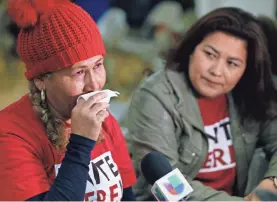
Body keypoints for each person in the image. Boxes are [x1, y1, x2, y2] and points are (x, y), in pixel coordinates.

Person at [127, 7, 277, 201]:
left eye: (232, 63)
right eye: (210, 55)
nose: (216, 71)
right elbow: (167, 186)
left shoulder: (246, 93)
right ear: (192, 49)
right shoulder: (156, 95)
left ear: (245, 69)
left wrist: (272, 182)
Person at [0, 0, 136, 201]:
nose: (94, 85)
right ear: (40, 80)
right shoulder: (10, 134)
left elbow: (127, 197)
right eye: (79, 72)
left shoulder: (104, 120)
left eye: (98, 65)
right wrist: (81, 144)